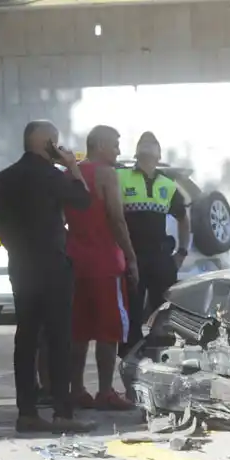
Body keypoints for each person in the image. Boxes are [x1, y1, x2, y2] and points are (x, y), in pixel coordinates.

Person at [0, 121, 96, 433]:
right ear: (46, 142)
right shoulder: (52, 176)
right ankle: (62, 413)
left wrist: (16, 249)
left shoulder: (3, 179)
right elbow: (83, 200)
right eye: (55, 142)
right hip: (52, 265)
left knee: (26, 337)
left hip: (21, 265)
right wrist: (72, 166)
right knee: (59, 337)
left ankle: (27, 413)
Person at [66, 124, 138, 410]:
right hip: (105, 263)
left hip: (75, 262)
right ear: (99, 145)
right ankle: (106, 391)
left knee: (79, 329)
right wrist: (131, 257)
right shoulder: (106, 174)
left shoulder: (69, 174)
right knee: (109, 330)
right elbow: (117, 219)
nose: (119, 151)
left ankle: (76, 389)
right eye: (115, 145)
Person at [120, 131, 188, 353]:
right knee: (131, 310)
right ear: (136, 152)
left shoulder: (167, 184)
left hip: (160, 256)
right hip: (132, 255)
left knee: (165, 310)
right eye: (143, 143)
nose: (147, 145)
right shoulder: (121, 177)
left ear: (159, 155)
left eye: (153, 143)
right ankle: (131, 355)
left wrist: (182, 252)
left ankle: (161, 353)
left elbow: (183, 218)